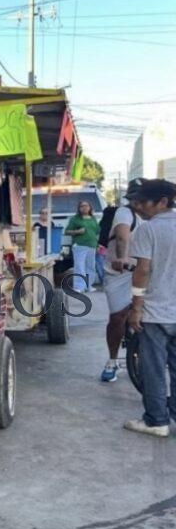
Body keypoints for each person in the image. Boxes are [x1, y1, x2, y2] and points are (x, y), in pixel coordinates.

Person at [124, 179, 176, 438]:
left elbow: (142, 271)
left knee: (153, 368)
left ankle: (156, 420)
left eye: (145, 201)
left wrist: (136, 308)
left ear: (163, 201)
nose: (140, 206)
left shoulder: (147, 230)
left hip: (156, 312)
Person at [100, 180, 144, 382]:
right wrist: (122, 257)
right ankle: (112, 360)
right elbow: (122, 237)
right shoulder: (125, 213)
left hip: (144, 270)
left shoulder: (155, 215)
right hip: (119, 272)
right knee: (117, 317)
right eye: (134, 198)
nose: (139, 203)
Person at [64, 201, 100, 294]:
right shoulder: (75, 219)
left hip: (92, 245)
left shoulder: (93, 218)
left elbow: (96, 232)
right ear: (79, 208)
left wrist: (97, 244)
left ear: (90, 207)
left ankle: (88, 286)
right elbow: (67, 231)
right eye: (82, 206)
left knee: (91, 267)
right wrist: (77, 232)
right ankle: (79, 287)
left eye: (86, 205)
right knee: (79, 266)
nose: (84, 207)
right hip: (80, 245)